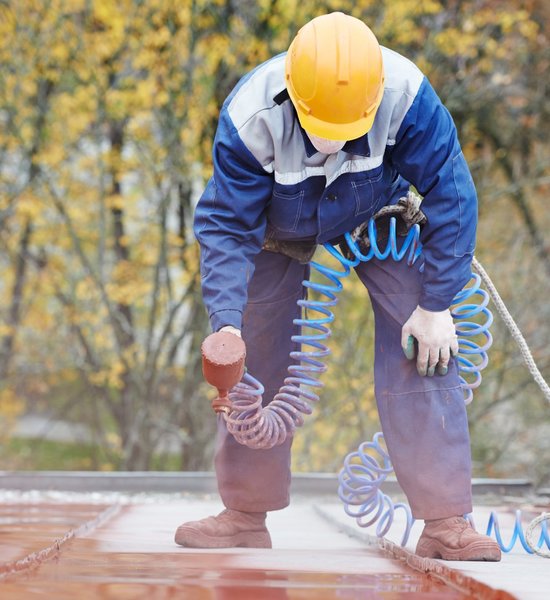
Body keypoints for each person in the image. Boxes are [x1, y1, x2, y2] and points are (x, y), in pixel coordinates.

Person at [176, 12, 501, 561]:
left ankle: (447, 521)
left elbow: (452, 191)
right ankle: (244, 514)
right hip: (277, 225)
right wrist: (226, 325)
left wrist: (437, 303)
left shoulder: (406, 95)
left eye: (350, 128)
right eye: (325, 129)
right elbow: (228, 226)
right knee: (254, 349)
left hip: (378, 209)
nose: (337, 143)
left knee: (422, 343)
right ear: (294, 101)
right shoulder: (250, 114)